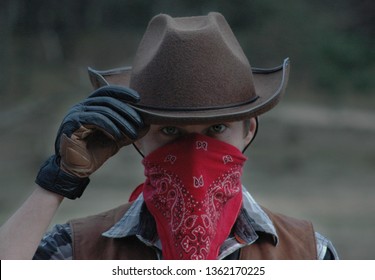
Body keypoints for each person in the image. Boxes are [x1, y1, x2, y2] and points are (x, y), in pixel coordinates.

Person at [0, 12, 338, 260]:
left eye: (216, 129)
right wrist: (56, 182)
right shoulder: (77, 249)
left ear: (248, 129)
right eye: (171, 131)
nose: (194, 154)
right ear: (136, 137)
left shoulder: (308, 253)